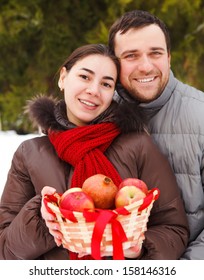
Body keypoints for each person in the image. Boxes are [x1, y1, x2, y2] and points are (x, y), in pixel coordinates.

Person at [0, 43, 188, 260]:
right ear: (63, 77)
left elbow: (174, 229)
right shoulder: (30, 153)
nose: (93, 90)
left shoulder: (138, 145)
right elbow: (5, 251)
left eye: (106, 84)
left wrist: (140, 248)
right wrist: (42, 220)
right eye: (85, 77)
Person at [108, 10, 204, 260]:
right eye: (131, 55)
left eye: (156, 53)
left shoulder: (200, 114)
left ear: (169, 57)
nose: (146, 66)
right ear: (114, 63)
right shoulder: (98, 117)